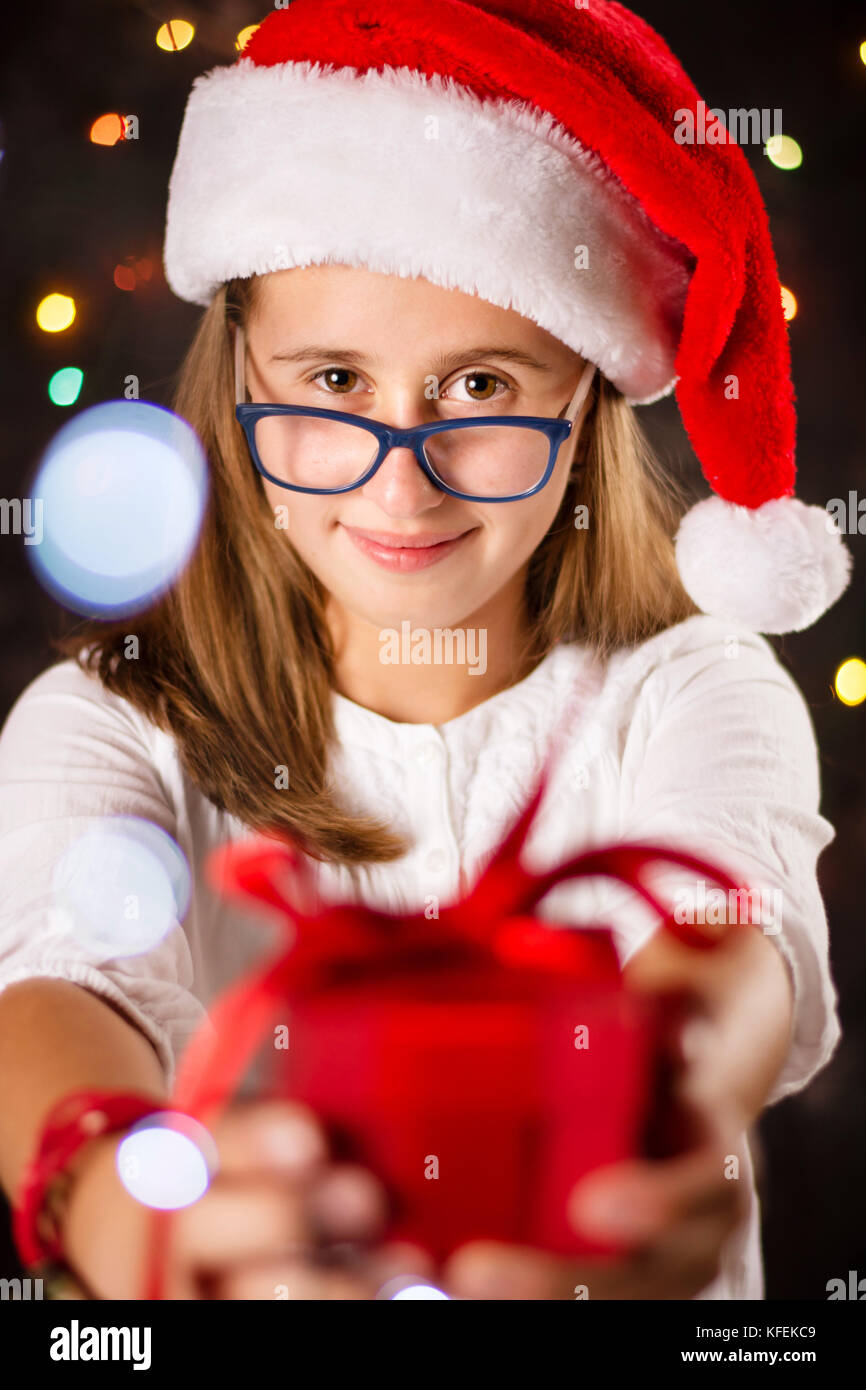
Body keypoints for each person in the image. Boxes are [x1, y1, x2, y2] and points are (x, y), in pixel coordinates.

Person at [0, 0, 851, 1300]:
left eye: (482, 387)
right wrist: (114, 1194)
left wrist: (650, 1113)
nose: (401, 490)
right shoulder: (109, 720)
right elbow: (63, 982)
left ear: (583, 396)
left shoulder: (698, 687)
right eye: (332, 383)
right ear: (239, 377)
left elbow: (724, 937)